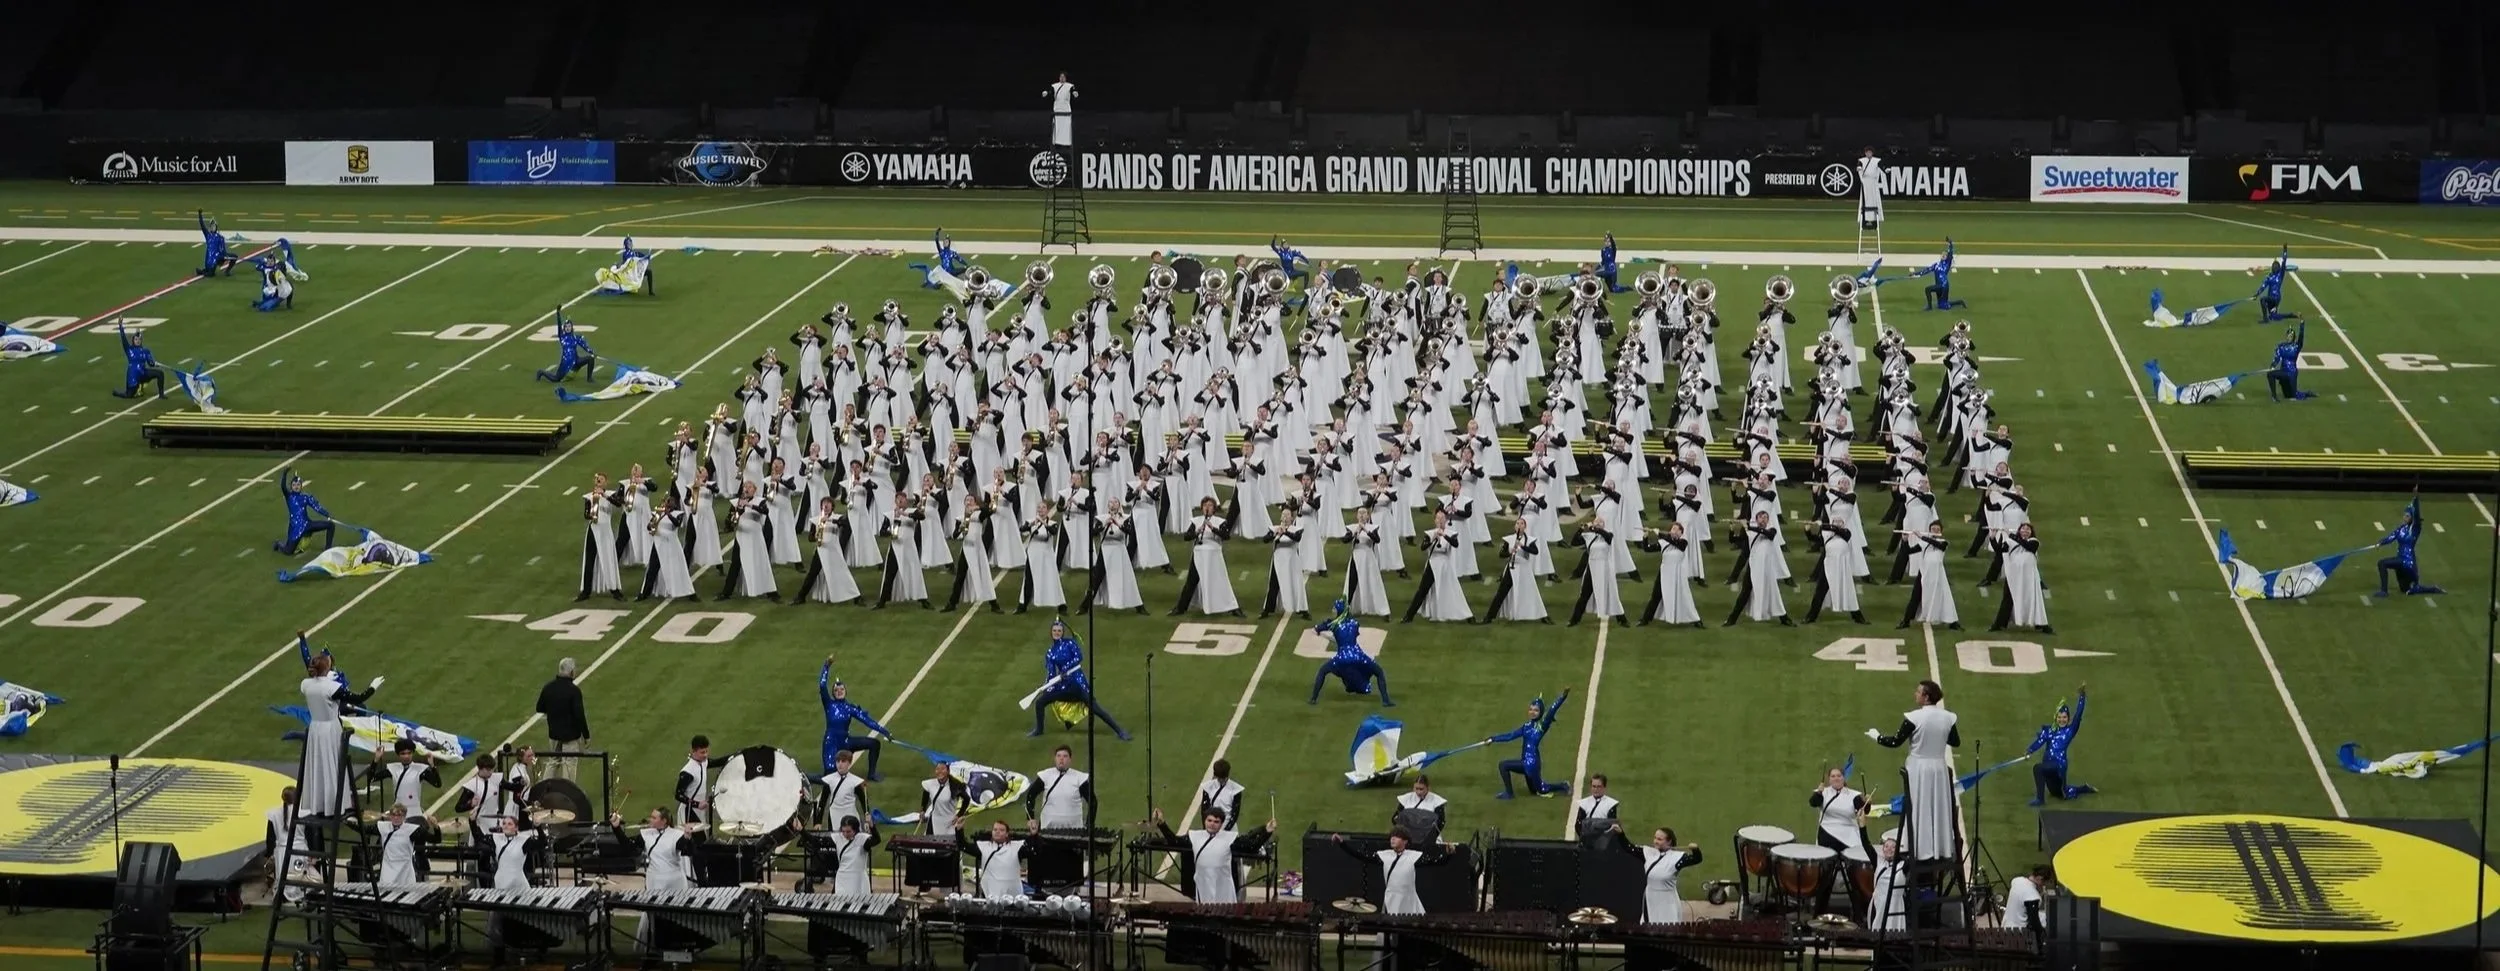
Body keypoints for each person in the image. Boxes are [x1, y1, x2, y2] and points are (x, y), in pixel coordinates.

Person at [1870, 681, 1960, 863]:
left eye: (1918, 692)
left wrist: (1877, 737)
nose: (1915, 694)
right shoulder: (1948, 717)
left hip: (1918, 769)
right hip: (1939, 768)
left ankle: (1919, 847)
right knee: (1937, 806)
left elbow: (1895, 742)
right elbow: (1955, 742)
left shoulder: (1914, 717)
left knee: (1919, 807)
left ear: (1926, 697)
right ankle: (1939, 847)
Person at [296, 637, 379, 816]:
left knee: (318, 765)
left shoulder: (306, 684)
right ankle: (337, 804)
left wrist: (302, 641)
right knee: (334, 766)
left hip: (315, 728)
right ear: (327, 668)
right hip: (331, 729)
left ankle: (318, 804)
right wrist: (372, 687)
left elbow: (307, 664)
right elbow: (359, 698)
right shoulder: (331, 687)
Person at [1030, 619, 1132, 740]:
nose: (1056, 633)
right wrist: (1046, 686)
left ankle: (1120, 731)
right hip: (1063, 686)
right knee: (1040, 702)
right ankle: (1039, 729)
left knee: (1096, 709)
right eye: (1054, 631)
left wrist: (1066, 668)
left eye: (1059, 631)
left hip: (1078, 684)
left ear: (1063, 632)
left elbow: (1079, 657)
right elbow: (1051, 674)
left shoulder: (1069, 643)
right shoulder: (1050, 653)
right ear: (1051, 632)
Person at [1153, 807, 1277, 903]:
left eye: (1216, 822)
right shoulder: (1194, 836)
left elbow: (1251, 847)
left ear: (1221, 824)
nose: (1212, 824)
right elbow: (1174, 842)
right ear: (1205, 821)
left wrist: (1267, 831)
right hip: (1203, 887)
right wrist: (1162, 823)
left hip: (1223, 889)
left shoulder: (1230, 838)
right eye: (1209, 820)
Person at [1332, 829, 1456, 915]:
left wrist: (1449, 854)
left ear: (1405, 841)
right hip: (1390, 899)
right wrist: (1342, 844)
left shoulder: (1414, 856)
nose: (1392, 839)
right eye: (1392, 836)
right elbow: (1360, 855)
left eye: (1396, 837)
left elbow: (1437, 862)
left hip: (1408, 901)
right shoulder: (1385, 855)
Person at [1309, 602, 1396, 705]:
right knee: (1379, 672)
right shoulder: (1354, 623)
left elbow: (1317, 629)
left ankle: (1313, 699)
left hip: (1341, 658)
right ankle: (1386, 700)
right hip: (1358, 656)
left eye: (1334, 609)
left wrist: (1322, 632)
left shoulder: (1332, 623)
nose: (1332, 610)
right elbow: (1348, 637)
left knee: (1323, 671)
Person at [818, 658, 892, 779]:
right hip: (831, 744)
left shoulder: (850, 708)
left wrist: (885, 732)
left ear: (846, 691)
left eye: (842, 689)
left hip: (846, 742)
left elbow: (867, 721)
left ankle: (872, 774)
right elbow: (822, 685)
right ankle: (806, 778)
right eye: (836, 690)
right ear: (833, 694)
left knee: (874, 744)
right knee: (830, 776)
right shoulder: (829, 704)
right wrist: (826, 666)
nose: (839, 691)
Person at [1491, 690, 1570, 800]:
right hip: (1526, 762)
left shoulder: (1542, 725)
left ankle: (1509, 794)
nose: (1532, 712)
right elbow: (1510, 736)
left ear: (1541, 712)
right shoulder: (1526, 726)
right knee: (1537, 790)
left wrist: (1562, 697)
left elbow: (1552, 710)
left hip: (1531, 764)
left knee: (1503, 765)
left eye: (1536, 710)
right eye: (1531, 709)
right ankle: (1563, 786)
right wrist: (1493, 739)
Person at [2026, 685, 2096, 806]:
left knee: (2038, 768)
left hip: (2058, 766)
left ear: (2068, 718)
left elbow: (2078, 716)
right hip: (2048, 767)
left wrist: (2082, 697)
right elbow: (2040, 741)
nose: (2062, 720)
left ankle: (2040, 800)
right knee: (2058, 794)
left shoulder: (2070, 731)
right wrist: (2030, 750)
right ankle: (2083, 788)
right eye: (2059, 717)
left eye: (2064, 717)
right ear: (2055, 718)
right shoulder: (2049, 730)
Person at [1620, 826, 1703, 923]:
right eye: (1655, 838)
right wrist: (1620, 834)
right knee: (1649, 925)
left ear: (1669, 842)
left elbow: (1696, 859)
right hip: (1650, 899)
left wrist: (1696, 850)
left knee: (1667, 926)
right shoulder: (1649, 853)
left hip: (1667, 901)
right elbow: (1629, 848)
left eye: (1659, 839)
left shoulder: (1677, 858)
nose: (1655, 841)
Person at [2375, 499, 2446, 597]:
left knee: (2382, 563)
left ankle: (2384, 591)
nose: (2404, 517)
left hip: (2408, 563)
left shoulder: (2415, 529)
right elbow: (2391, 537)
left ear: (2412, 518)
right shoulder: (2401, 529)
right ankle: (2432, 589)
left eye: (2407, 516)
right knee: (2405, 590)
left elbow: (2416, 515)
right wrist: (2381, 542)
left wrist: (2416, 499)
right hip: (2400, 561)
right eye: (2404, 515)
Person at [535, 658, 588, 782]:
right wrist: (586, 735)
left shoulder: (548, 687)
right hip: (570, 736)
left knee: (553, 761)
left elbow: (539, 708)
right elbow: (579, 715)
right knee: (569, 764)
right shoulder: (574, 691)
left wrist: (553, 711)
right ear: (571, 672)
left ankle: (544, 787)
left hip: (554, 733)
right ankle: (567, 790)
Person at [959, 819, 1040, 898]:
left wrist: (1034, 835)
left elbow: (1034, 851)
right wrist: (959, 830)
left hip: (1013, 896)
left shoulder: (1017, 847)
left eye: (1001, 830)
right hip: (990, 896)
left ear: (1007, 834)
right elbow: (963, 846)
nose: (997, 832)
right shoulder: (983, 846)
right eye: (995, 829)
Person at [1026, 745, 1097, 830]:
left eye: (1065, 756)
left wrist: (1089, 824)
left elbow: (1093, 802)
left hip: (1074, 831)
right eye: (1058, 756)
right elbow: (1031, 795)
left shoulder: (1079, 778)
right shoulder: (1046, 776)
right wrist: (1030, 818)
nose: (1061, 759)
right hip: (1047, 828)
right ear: (1055, 758)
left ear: (1070, 759)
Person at [364, 739, 441, 816]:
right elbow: (371, 778)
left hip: (415, 812)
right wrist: (376, 760)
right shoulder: (392, 768)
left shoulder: (420, 769)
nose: (406, 756)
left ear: (413, 753)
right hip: (398, 812)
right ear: (398, 754)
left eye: (409, 753)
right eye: (403, 753)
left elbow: (437, 784)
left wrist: (432, 766)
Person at [274, 467, 338, 556]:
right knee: (288, 551)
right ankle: (278, 544)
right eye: (294, 485)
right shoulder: (289, 496)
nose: (296, 486)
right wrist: (285, 473)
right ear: (291, 487)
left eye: (298, 484)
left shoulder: (305, 497)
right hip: (296, 528)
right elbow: (283, 487)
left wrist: (327, 514)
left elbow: (316, 507)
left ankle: (328, 549)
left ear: (301, 486)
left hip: (307, 524)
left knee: (330, 525)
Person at [374, 804, 435, 886]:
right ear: (390, 816)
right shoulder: (383, 827)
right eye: (393, 815)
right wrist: (355, 820)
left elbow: (435, 839)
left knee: (406, 892)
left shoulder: (412, 830)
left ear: (404, 817)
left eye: (399, 815)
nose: (396, 818)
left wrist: (436, 827)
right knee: (386, 892)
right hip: (388, 871)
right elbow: (363, 829)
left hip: (405, 872)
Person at [675, 735, 730, 826]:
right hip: (689, 812)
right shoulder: (688, 772)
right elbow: (678, 795)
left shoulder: (703, 763)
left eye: (706, 751)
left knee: (703, 833)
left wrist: (735, 756)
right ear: (693, 751)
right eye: (702, 752)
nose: (705, 755)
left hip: (699, 811)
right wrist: (697, 804)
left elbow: (718, 762)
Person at [826, 815, 882, 895]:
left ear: (855, 830)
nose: (845, 834)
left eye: (848, 831)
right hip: (842, 878)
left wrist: (871, 825)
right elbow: (816, 841)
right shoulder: (838, 838)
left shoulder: (862, 839)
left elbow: (877, 840)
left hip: (858, 880)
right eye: (843, 831)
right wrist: (805, 832)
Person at [534, 315, 598, 384]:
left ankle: (589, 378)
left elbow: (584, 346)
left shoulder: (576, 337)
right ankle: (541, 372)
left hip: (576, 361)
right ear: (564, 328)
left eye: (569, 326)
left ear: (572, 327)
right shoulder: (562, 337)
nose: (568, 328)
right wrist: (558, 313)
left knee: (591, 358)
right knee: (556, 379)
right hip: (565, 363)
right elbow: (559, 325)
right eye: (566, 327)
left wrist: (592, 352)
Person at [111, 322, 166, 400]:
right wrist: (120, 326)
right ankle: (117, 393)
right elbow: (123, 339)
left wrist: (154, 363)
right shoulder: (129, 349)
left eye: (139, 339)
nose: (138, 341)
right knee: (129, 395)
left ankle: (161, 395)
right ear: (133, 340)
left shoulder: (145, 351)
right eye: (136, 339)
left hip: (143, 373)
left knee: (160, 374)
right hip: (133, 375)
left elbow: (150, 363)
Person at [2266, 320, 2316, 401]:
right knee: (2270, 374)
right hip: (2283, 372)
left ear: (2293, 337)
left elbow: (2301, 338)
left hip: (2292, 373)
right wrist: (2272, 366)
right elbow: (2277, 358)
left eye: (2291, 336)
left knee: (2292, 396)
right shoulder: (2281, 346)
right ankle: (2274, 397)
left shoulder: (2297, 346)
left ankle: (2307, 393)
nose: (2289, 337)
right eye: (2288, 336)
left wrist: (2302, 325)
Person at [921, 762, 970, 837]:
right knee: (928, 842)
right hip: (934, 821)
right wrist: (923, 810)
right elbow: (926, 794)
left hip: (949, 822)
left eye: (943, 769)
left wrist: (959, 814)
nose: (940, 771)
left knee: (946, 843)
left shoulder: (955, 786)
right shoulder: (930, 784)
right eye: (937, 769)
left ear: (948, 771)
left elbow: (967, 799)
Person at [1571, 775, 1622, 847]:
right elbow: (1578, 825)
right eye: (1594, 786)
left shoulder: (1610, 804)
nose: (1596, 789)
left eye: (1599, 787)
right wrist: (1586, 839)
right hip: (1586, 842)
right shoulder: (1584, 803)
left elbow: (1611, 826)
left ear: (1604, 788)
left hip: (1603, 843)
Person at [1915, 239, 1966, 311]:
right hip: (1939, 285)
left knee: (1928, 289)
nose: (1943, 255)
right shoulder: (1936, 265)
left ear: (1947, 257)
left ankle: (1929, 307)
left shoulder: (1947, 264)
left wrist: (1950, 243)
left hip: (1943, 285)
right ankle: (1960, 302)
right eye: (1942, 254)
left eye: (1945, 255)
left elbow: (1950, 253)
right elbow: (1926, 270)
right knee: (1942, 305)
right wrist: (1916, 274)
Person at [1196, 760, 1246, 831]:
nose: (1222, 780)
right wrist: (1206, 828)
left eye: (1223, 778)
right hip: (1211, 825)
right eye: (1219, 778)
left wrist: (1225, 831)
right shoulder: (1208, 787)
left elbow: (1235, 814)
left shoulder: (1236, 790)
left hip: (1229, 826)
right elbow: (1204, 809)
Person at [2003, 865, 2054, 931]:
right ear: (2039, 878)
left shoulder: (2016, 880)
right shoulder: (2033, 896)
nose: (2044, 885)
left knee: (2043, 916)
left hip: (2006, 924)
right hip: (2018, 931)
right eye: (2044, 882)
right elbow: (2034, 923)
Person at [2256, 246, 2298, 322]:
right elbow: (2263, 286)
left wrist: (2285, 251)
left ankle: (2265, 319)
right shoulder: (2269, 276)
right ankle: (2289, 315)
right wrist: (2257, 294)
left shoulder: (2280, 275)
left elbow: (2284, 262)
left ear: (2278, 268)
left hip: (2276, 298)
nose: (2275, 268)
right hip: (2270, 298)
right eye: (2274, 267)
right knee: (2273, 316)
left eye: (2276, 267)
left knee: (2263, 300)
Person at [1044, 73, 1077, 148]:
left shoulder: (1070, 85)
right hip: (1057, 108)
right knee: (1057, 125)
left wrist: (1075, 93)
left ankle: (1067, 143)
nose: (1062, 78)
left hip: (1066, 109)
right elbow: (1050, 91)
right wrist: (1046, 92)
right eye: (1061, 77)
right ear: (1059, 78)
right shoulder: (1054, 85)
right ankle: (1056, 142)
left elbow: (1073, 90)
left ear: (1066, 78)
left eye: (1063, 77)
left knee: (1066, 126)